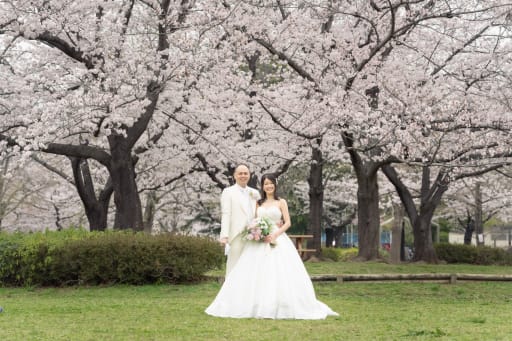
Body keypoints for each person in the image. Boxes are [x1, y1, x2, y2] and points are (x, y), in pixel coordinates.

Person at [206, 173, 338, 319]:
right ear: (262, 187)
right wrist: (257, 231)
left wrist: (275, 234)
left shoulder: (281, 202)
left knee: (279, 270)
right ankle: (253, 303)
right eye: (265, 184)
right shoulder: (258, 202)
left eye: (271, 183)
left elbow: (288, 222)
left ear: (275, 184)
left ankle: (282, 303)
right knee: (254, 271)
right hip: (260, 240)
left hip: (277, 238)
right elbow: (253, 220)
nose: (268, 186)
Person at [219, 164, 261, 275]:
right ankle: (230, 291)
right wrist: (224, 236)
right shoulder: (228, 192)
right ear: (235, 176)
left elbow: (259, 213)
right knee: (234, 266)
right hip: (236, 234)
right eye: (240, 173)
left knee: (251, 267)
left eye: (246, 173)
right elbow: (226, 214)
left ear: (249, 175)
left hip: (253, 235)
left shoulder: (255, 193)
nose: (243, 176)